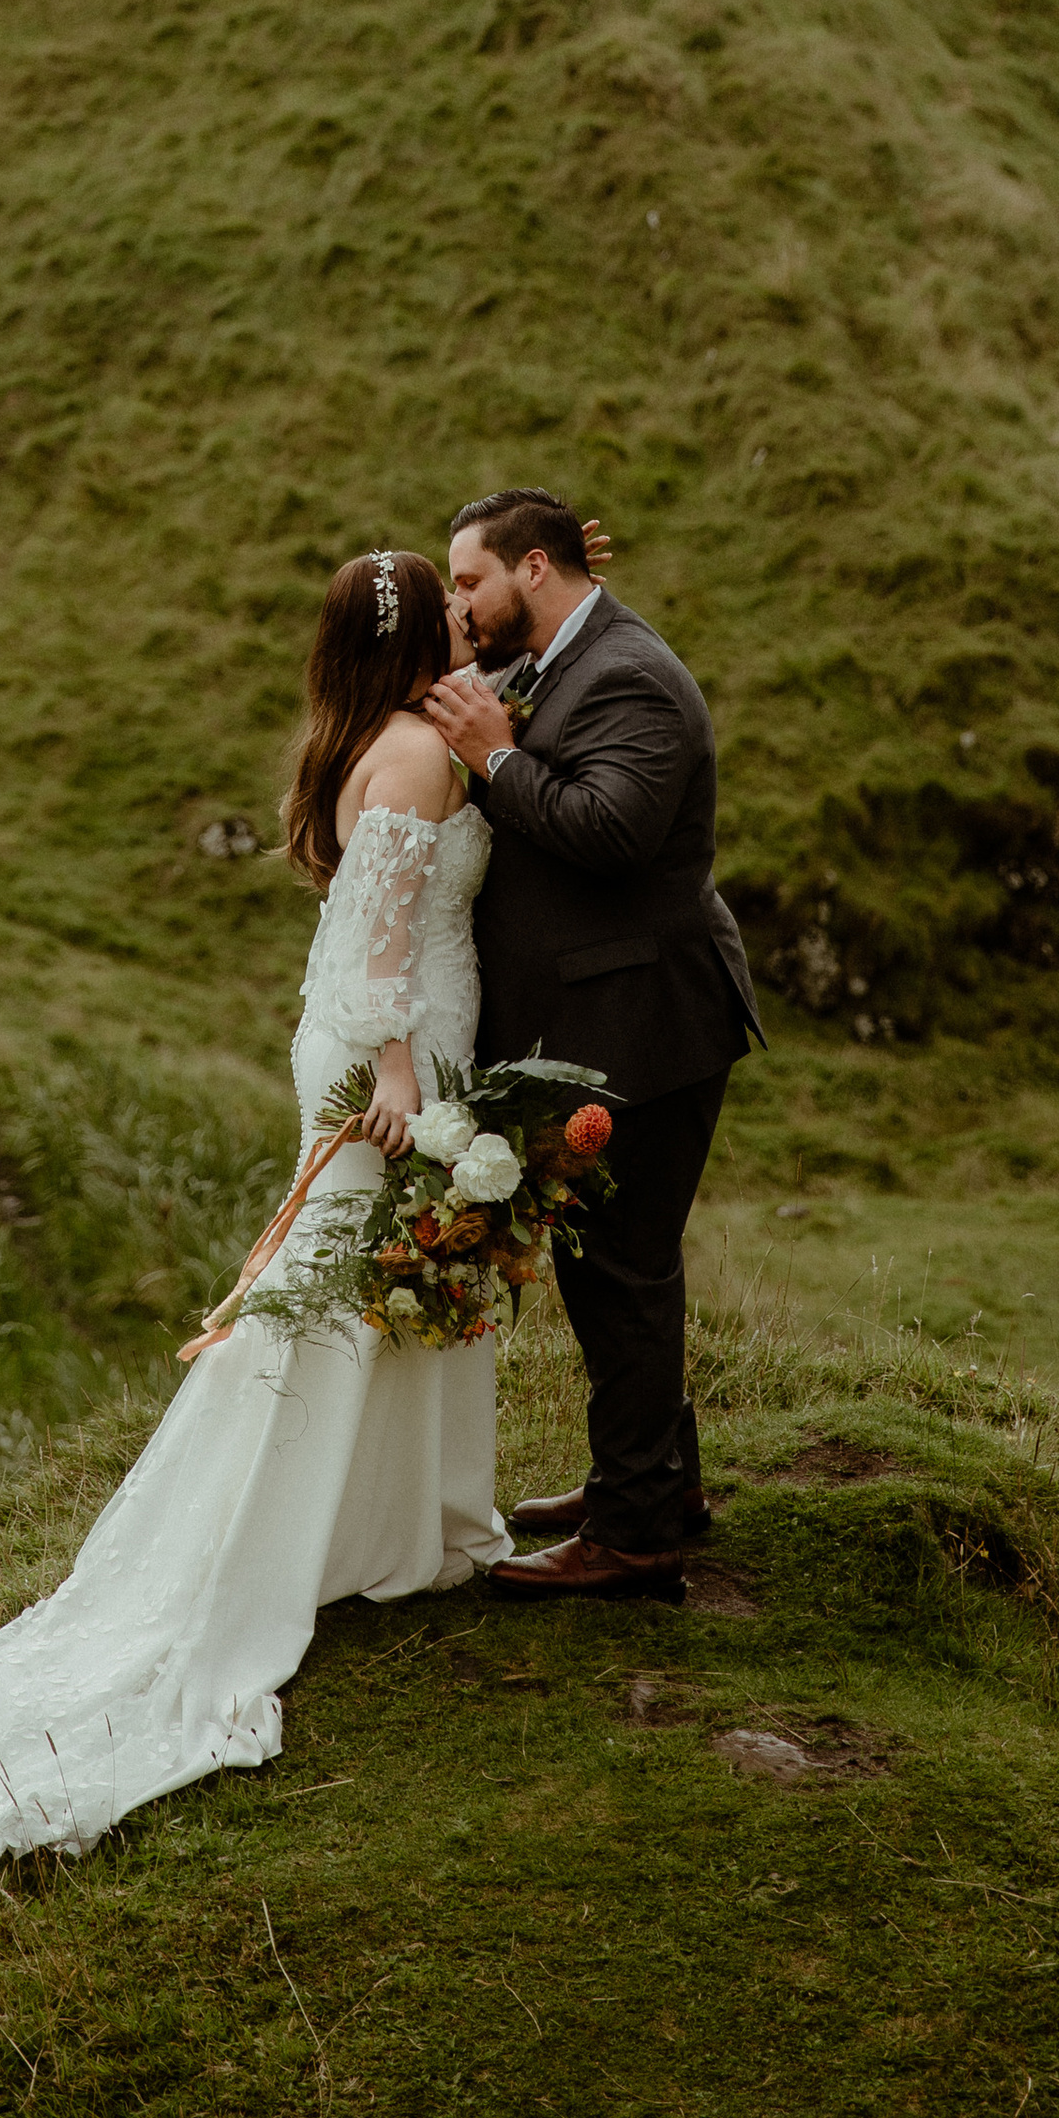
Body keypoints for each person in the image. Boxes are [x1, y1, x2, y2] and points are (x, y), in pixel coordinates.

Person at [0, 546, 506, 1905]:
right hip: (392, 1060)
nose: (474, 624)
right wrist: (400, 1082)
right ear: (426, 632)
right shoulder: (418, 753)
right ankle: (290, 1543)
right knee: (336, 1298)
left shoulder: (367, 736)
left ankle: (393, 1525)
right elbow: (376, 944)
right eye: (455, 610)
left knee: (368, 1290)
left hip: (381, 1042)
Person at [423, 486, 761, 1601]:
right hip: (609, 1017)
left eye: (469, 580)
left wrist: (495, 761)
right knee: (610, 1263)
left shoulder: (629, 676)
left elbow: (613, 832)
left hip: (646, 1023)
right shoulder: (556, 656)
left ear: (532, 569)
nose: (459, 605)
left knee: (621, 1269)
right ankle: (654, 1481)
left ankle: (635, 1534)